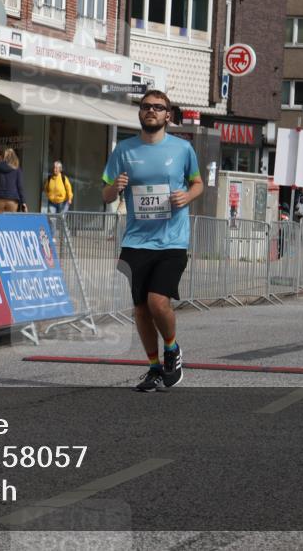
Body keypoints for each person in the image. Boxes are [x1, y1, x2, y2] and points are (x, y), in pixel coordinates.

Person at [102, 90, 203, 392]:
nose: (151, 111)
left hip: (172, 240)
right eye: (146, 106)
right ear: (140, 113)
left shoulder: (182, 149)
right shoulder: (124, 150)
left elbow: (198, 183)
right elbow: (105, 193)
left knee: (157, 301)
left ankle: (171, 348)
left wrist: (187, 196)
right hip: (136, 241)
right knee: (141, 309)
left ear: (167, 115)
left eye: (158, 107)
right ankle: (154, 368)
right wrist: (115, 188)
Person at [0, 147, 26, 213]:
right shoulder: (16, 168)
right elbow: (19, 186)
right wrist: (23, 202)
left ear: (2, 156)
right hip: (12, 199)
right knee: (10, 219)